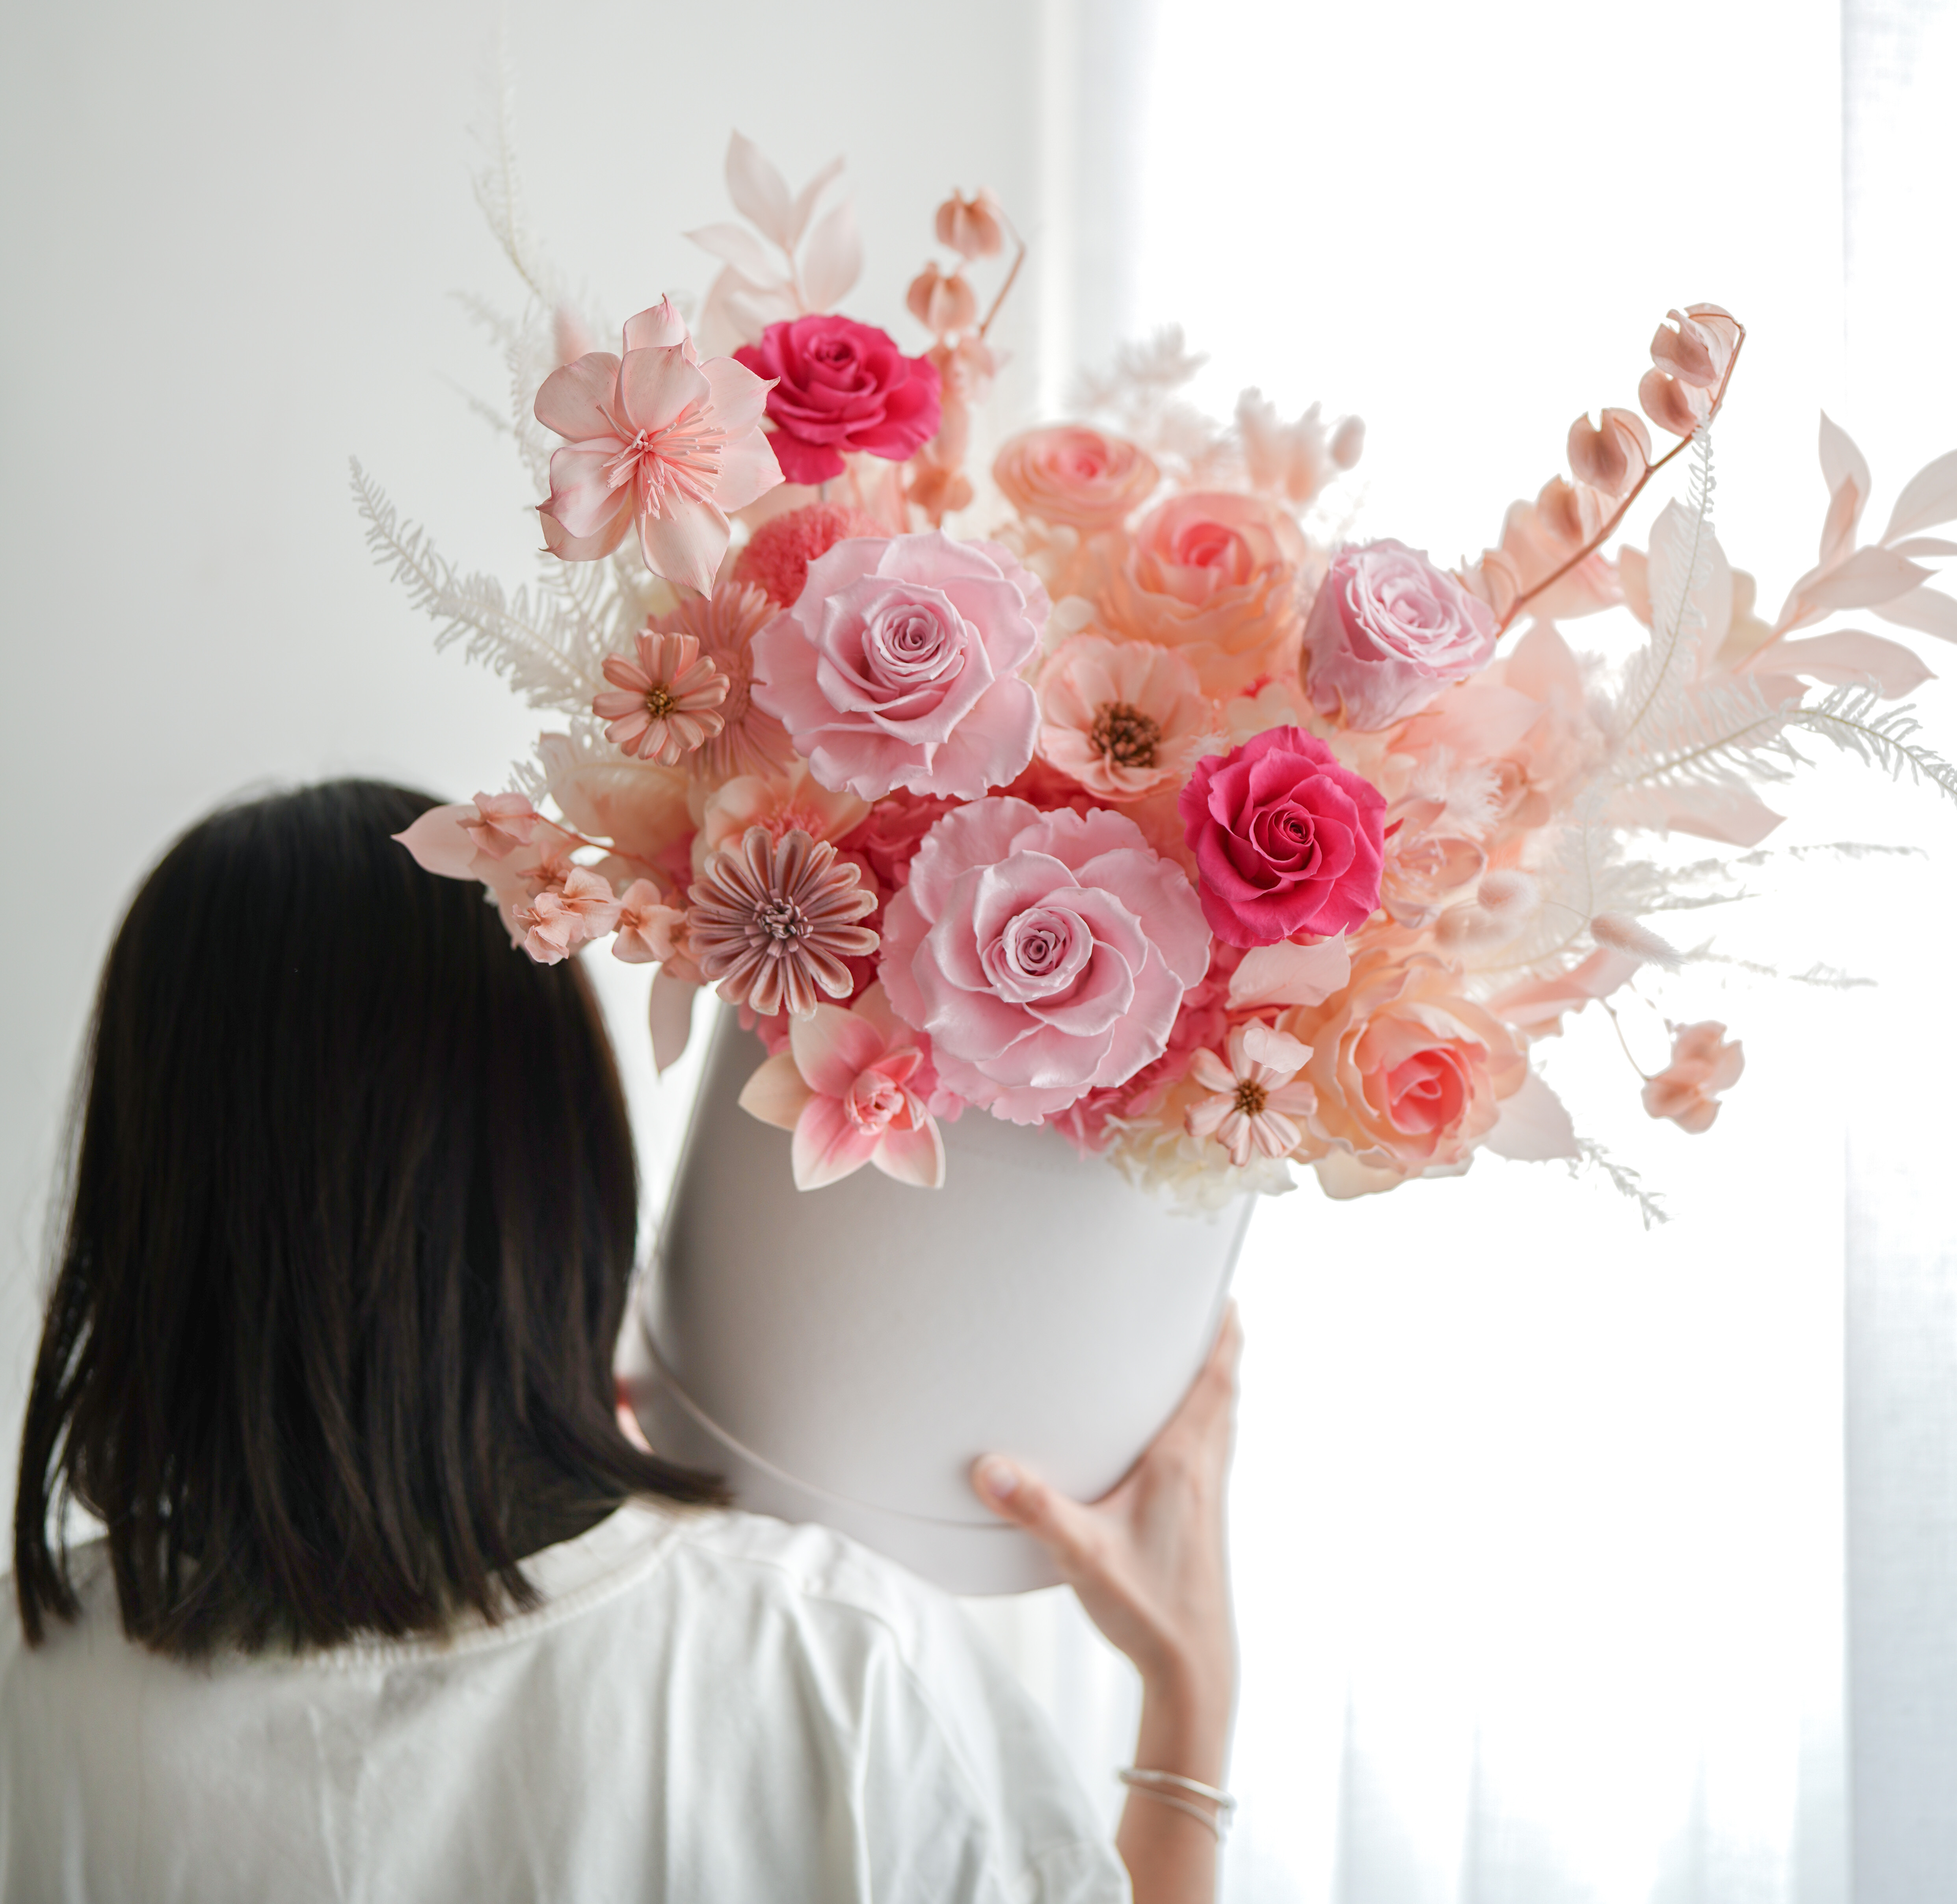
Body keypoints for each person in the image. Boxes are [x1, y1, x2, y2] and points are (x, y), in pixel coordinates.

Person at [0, 779, 1239, 1904]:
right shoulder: (828, 1668)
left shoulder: (30, 1694)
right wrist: (1189, 1701)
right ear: (558, 1172)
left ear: (143, 1208)